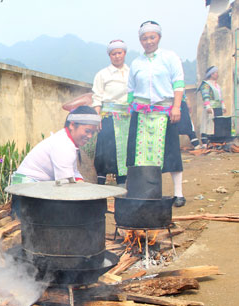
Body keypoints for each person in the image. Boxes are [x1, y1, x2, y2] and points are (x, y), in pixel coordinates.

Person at [127, 21, 186, 207]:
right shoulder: (136, 63)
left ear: (159, 37)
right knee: (139, 155)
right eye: (144, 38)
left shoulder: (169, 57)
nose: (148, 41)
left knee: (171, 153)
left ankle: (178, 194)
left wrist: (176, 107)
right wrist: (132, 108)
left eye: (152, 37)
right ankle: (146, 193)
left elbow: (178, 83)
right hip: (142, 114)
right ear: (140, 40)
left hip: (165, 112)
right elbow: (131, 90)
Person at [11, 106, 101, 184]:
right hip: (26, 187)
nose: (90, 136)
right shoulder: (63, 145)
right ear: (72, 125)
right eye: (87, 131)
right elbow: (65, 183)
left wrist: (82, 184)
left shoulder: (68, 142)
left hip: (37, 186)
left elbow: (73, 172)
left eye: (93, 133)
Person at [92, 39, 131, 186]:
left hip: (126, 118)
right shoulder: (102, 74)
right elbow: (97, 97)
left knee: (124, 151)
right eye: (113, 53)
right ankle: (100, 184)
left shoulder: (131, 73)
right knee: (105, 151)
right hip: (108, 117)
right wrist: (97, 118)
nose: (117, 56)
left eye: (119, 53)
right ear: (110, 55)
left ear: (124, 53)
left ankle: (122, 184)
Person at [199, 65, 226, 145]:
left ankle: (216, 141)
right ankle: (205, 142)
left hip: (218, 107)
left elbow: (220, 97)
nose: (217, 74)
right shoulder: (206, 84)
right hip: (210, 108)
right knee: (207, 124)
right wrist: (208, 106)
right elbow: (205, 96)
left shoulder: (217, 86)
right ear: (211, 74)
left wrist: (223, 106)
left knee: (217, 124)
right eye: (215, 73)